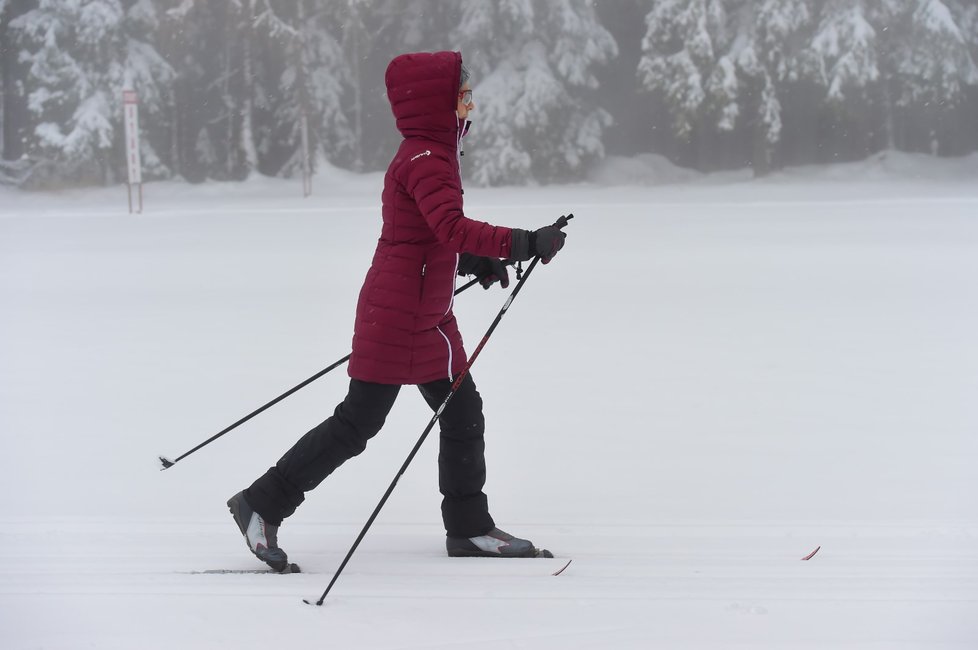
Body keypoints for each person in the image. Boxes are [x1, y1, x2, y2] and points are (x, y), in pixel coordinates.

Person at [227, 51, 567, 572]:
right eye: (462, 94)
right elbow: (451, 226)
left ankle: (470, 528)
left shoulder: (431, 154)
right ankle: (262, 504)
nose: (469, 103)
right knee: (356, 426)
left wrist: (478, 259)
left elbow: (433, 232)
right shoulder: (426, 160)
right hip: (400, 315)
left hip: (428, 314)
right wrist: (521, 242)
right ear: (437, 102)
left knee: (461, 411)